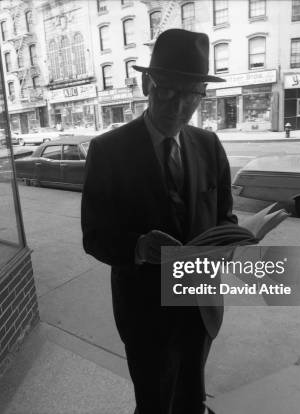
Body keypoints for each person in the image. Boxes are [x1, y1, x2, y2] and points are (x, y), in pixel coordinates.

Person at [81, 29, 235, 414]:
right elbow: (95, 237)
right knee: (153, 402)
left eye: (192, 95)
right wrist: (137, 247)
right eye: (168, 91)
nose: (179, 106)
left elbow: (225, 217)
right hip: (146, 312)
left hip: (200, 306)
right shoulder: (108, 150)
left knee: (190, 398)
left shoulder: (209, 145)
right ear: (147, 83)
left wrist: (228, 245)